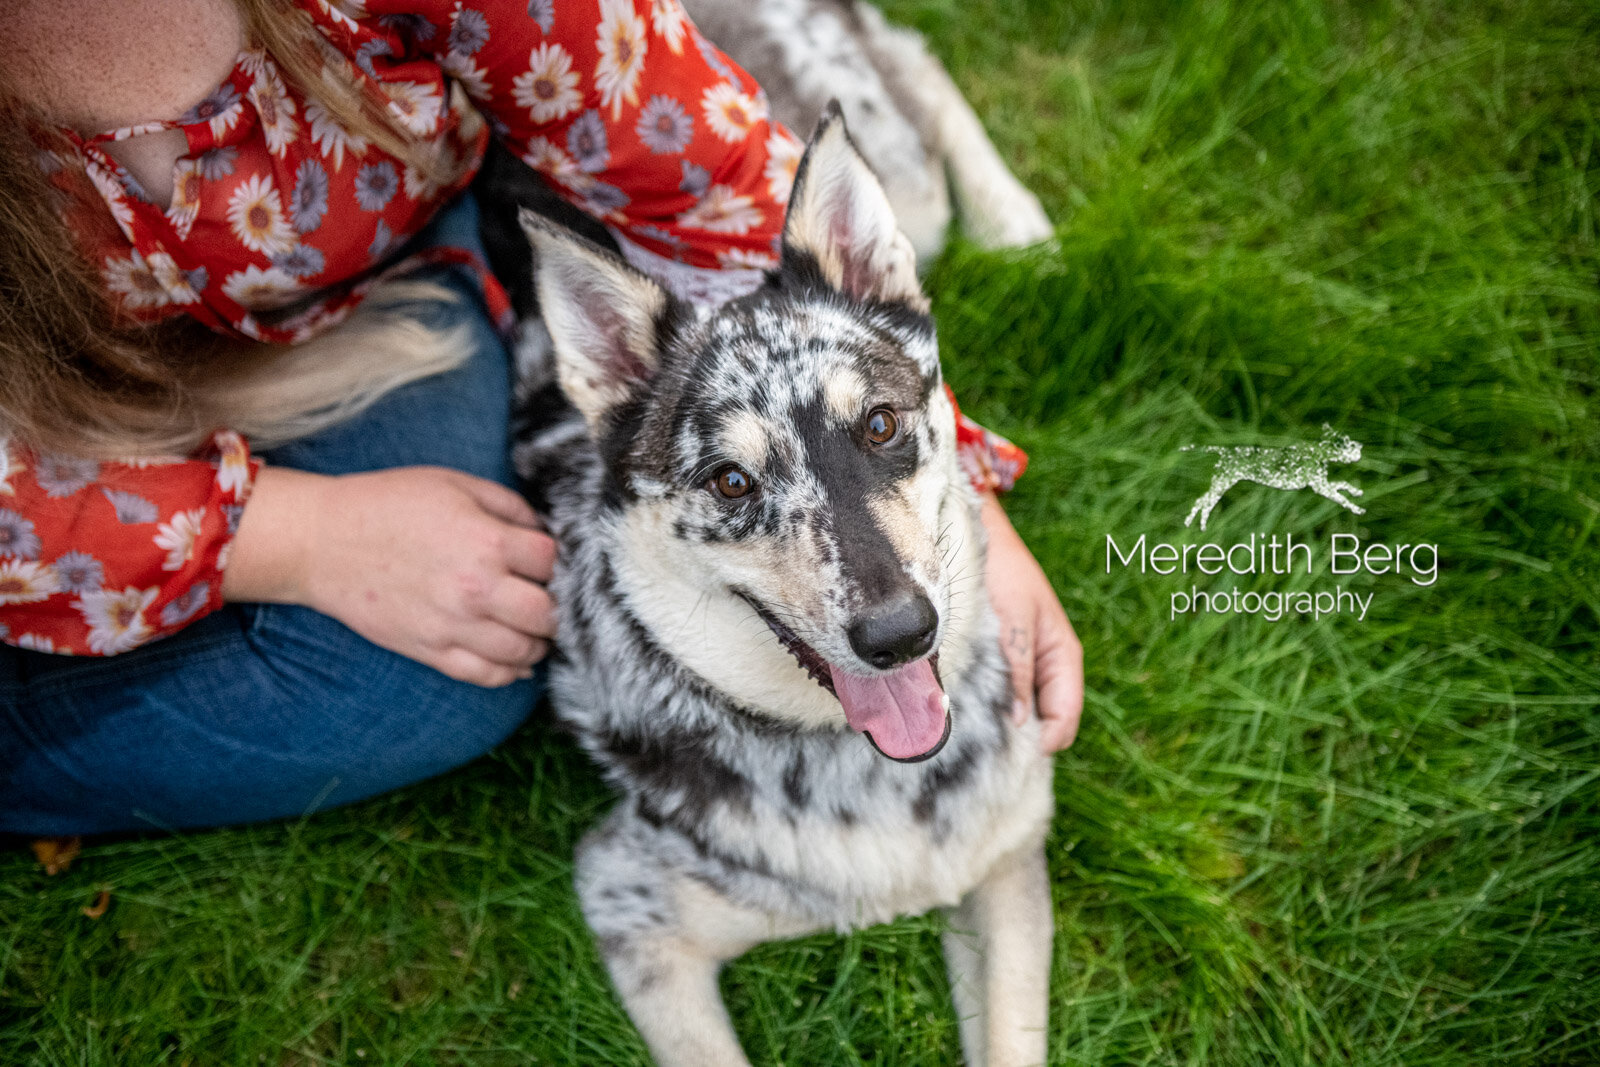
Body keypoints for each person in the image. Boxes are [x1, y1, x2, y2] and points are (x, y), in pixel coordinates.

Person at [0, 0, 1083, 837]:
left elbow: (705, 169)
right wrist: (284, 537)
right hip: (31, 431)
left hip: (363, 303)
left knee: (445, 669)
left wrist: (955, 494)